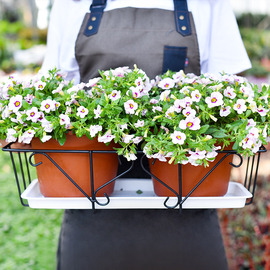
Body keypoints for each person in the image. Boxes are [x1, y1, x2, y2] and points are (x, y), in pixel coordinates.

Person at [41, 0, 251, 269]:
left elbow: (229, 91)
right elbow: (53, 90)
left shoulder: (206, 5)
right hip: (93, 212)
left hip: (186, 211)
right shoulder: (73, 4)